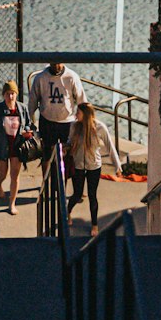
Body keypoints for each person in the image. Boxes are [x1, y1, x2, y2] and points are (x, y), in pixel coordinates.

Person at [66, 100, 123, 236]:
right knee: (77, 194)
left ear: (85, 114)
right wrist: (65, 147)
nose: (75, 115)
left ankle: (94, 225)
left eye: (78, 113)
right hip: (78, 165)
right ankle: (67, 212)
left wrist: (118, 167)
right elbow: (69, 141)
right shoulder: (74, 126)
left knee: (92, 196)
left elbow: (110, 147)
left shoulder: (100, 127)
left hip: (94, 166)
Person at [27, 58, 86, 166]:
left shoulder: (71, 77)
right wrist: (28, 122)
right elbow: (32, 102)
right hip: (47, 121)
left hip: (67, 122)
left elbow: (82, 101)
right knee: (46, 156)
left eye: (59, 63)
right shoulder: (40, 78)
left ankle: (62, 181)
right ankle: (47, 182)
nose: (56, 66)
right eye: (54, 63)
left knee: (68, 156)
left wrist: (84, 122)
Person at [0, 79, 30, 215]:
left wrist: (28, 131)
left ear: (16, 94)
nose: (10, 97)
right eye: (7, 94)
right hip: (2, 147)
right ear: (3, 95)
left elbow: (28, 123)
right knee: (3, 174)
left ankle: (12, 203)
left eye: (13, 93)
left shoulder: (22, 108)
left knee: (15, 176)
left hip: (17, 147)